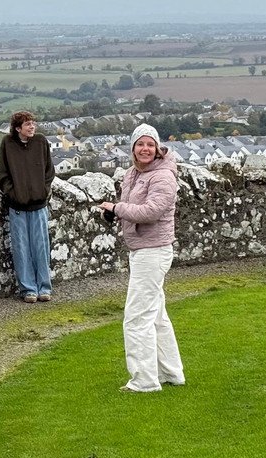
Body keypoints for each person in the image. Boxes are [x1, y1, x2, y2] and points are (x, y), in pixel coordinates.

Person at [99, 123, 185, 392]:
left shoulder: (163, 176)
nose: (145, 149)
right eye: (140, 144)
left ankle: (144, 381)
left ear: (157, 148)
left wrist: (118, 208)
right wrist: (112, 213)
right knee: (156, 316)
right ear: (133, 148)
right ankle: (172, 373)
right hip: (141, 249)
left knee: (136, 318)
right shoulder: (133, 173)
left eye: (150, 144)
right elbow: (131, 208)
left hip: (153, 250)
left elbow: (151, 211)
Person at [0, 111, 55, 303]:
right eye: (28, 124)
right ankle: (28, 290)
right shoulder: (8, 144)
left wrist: (42, 191)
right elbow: (2, 175)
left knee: (41, 246)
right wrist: (14, 194)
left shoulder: (40, 142)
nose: (32, 127)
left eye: (33, 124)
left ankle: (44, 288)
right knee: (21, 248)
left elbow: (49, 171)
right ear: (18, 128)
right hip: (17, 207)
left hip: (39, 205)